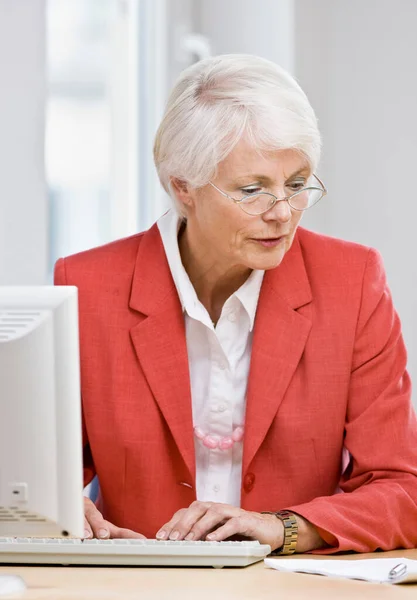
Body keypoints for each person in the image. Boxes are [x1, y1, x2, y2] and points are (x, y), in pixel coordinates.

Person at [54, 54, 417, 554]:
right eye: (253, 190)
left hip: (295, 587)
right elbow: (35, 478)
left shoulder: (351, 282)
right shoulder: (87, 286)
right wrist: (60, 509)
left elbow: (403, 489)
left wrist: (283, 526)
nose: (284, 213)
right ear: (183, 188)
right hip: (135, 582)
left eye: (296, 184)